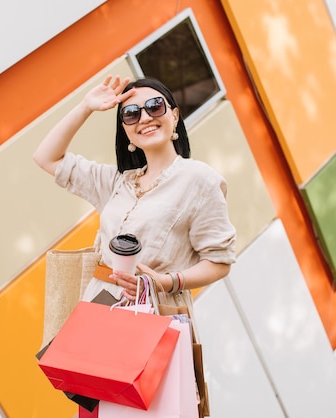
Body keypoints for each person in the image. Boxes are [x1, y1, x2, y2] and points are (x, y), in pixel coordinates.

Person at [33, 74, 236, 313]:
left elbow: (219, 262)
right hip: (99, 305)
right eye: (131, 113)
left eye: (155, 106)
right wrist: (86, 106)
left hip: (155, 312)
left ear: (174, 115)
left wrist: (166, 282)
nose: (146, 117)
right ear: (126, 130)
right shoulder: (117, 182)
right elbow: (46, 157)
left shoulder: (200, 180)